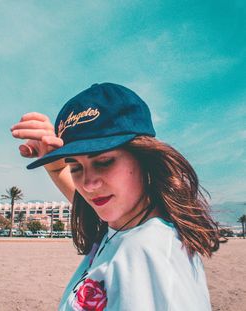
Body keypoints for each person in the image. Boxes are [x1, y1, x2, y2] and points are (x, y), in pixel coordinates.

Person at [11, 82, 220, 311]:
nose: (89, 185)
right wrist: (54, 163)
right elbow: (68, 180)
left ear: (144, 158)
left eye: (104, 161)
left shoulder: (147, 254)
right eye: (75, 166)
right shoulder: (125, 224)